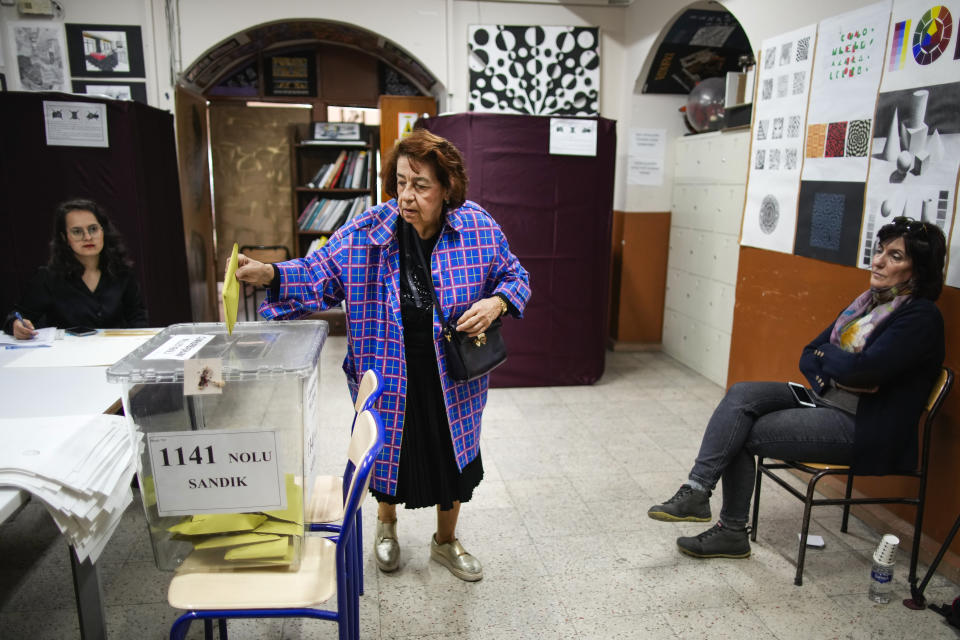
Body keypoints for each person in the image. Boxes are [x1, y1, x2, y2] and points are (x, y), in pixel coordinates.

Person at [234, 129, 531, 581]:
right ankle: (386, 527)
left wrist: (497, 303)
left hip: (451, 374)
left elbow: (515, 275)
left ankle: (445, 542)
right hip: (387, 366)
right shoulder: (369, 229)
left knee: (451, 457)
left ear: (447, 187)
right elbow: (318, 271)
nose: (406, 196)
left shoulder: (476, 226)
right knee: (387, 451)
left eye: (420, 185)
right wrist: (270, 272)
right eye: (400, 182)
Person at [647, 217, 946, 559]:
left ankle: (731, 532)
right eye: (880, 251)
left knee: (742, 432)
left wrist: (837, 366)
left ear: (918, 270)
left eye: (895, 256)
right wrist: (834, 374)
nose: (878, 261)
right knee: (741, 394)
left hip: (865, 426)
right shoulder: (868, 304)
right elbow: (810, 353)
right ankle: (697, 490)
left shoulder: (920, 318)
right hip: (827, 400)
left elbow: (861, 370)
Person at [4, 198, 148, 338]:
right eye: (77, 231)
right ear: (65, 238)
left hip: (116, 354)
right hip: (68, 357)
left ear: (103, 231)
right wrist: (17, 324)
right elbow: (17, 317)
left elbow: (138, 319)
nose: (87, 237)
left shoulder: (122, 272)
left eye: (93, 229)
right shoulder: (48, 277)